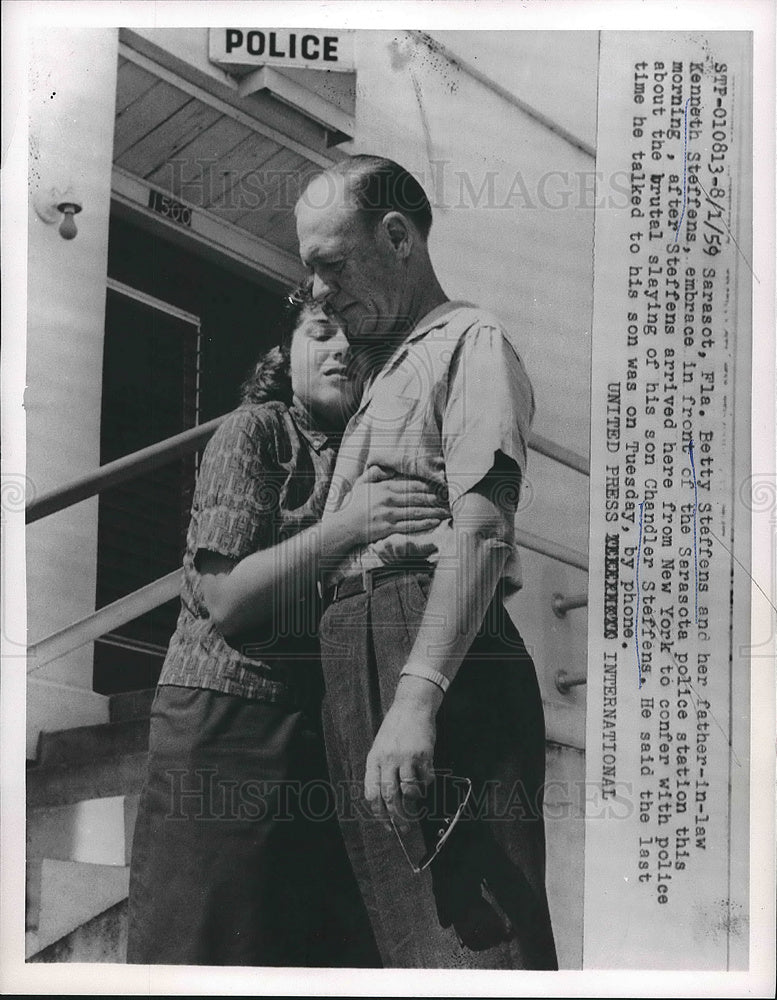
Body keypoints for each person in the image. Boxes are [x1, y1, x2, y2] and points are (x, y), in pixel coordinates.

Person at [126, 292, 447, 966]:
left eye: (357, 340)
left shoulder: (380, 454)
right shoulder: (257, 432)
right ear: (286, 353)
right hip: (225, 724)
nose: (340, 350)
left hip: (329, 733)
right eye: (321, 332)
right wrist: (348, 526)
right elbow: (226, 599)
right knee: (199, 950)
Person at [295, 155, 559, 969]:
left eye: (330, 265)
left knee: (474, 949)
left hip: (429, 651)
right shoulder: (382, 370)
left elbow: (482, 530)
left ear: (398, 237)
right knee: (402, 951)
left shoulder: (470, 342)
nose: (318, 292)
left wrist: (414, 702)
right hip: (358, 653)